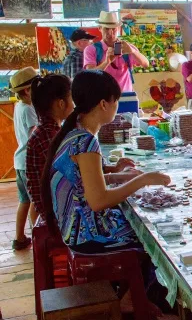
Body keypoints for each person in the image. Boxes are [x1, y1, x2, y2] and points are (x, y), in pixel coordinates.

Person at [41, 70, 170, 253]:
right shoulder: (85, 141)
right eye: (115, 101)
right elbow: (98, 201)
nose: (117, 106)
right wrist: (142, 180)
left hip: (75, 227)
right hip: (85, 235)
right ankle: (149, 280)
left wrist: (118, 177)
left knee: (145, 217)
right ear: (103, 104)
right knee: (156, 235)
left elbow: (84, 182)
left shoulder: (75, 130)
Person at [26, 75, 138, 218]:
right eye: (71, 99)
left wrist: (113, 171)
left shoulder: (60, 131)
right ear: (61, 104)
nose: (74, 105)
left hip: (62, 213)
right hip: (62, 216)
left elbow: (78, 173)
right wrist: (140, 180)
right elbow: (97, 200)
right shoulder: (62, 137)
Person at [10, 67, 39, 250]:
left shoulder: (19, 106)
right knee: (36, 201)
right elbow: (35, 136)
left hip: (20, 162)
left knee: (24, 200)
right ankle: (38, 237)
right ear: (27, 91)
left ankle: (20, 237)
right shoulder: (28, 109)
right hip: (29, 163)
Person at [83, 11, 148, 93]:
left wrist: (133, 51)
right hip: (103, 98)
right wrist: (107, 62)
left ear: (118, 28)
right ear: (100, 28)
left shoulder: (126, 47)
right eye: (106, 29)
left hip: (126, 96)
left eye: (113, 29)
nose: (110, 33)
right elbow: (89, 75)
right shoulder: (91, 49)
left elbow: (146, 64)